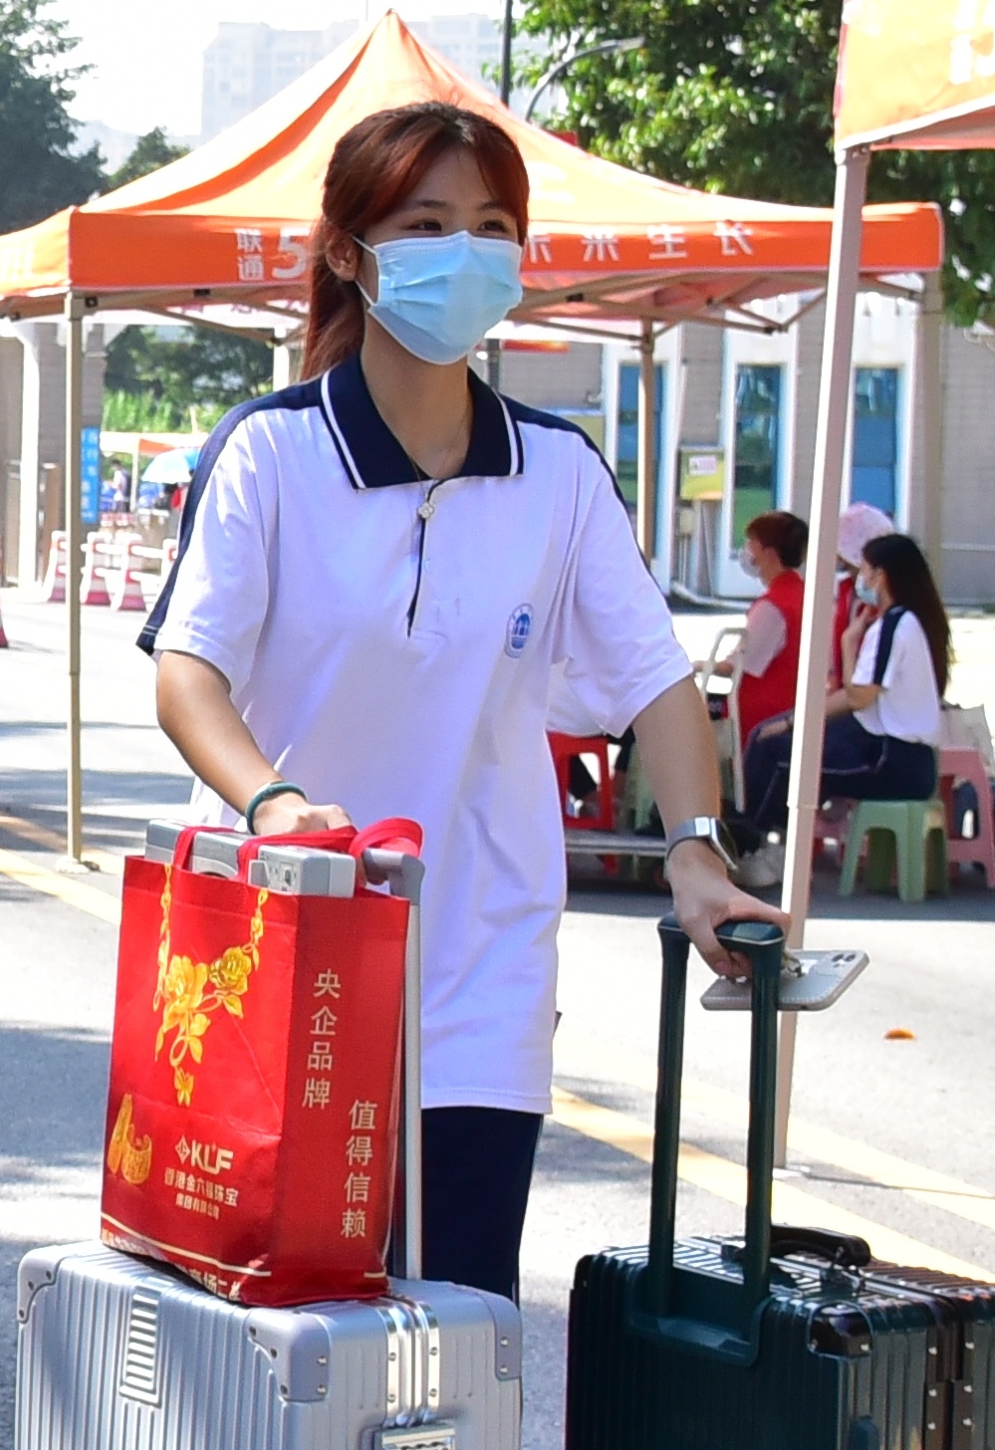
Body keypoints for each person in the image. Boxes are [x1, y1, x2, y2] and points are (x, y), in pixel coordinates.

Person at [142, 97, 757, 1320]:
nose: (464, 251)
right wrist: (270, 798)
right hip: (286, 953)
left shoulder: (560, 471)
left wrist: (697, 856)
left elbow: (659, 684)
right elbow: (187, 672)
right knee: (280, 1335)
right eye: (425, 222)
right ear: (346, 251)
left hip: (482, 967)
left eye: (490, 225)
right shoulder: (268, 454)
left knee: (456, 1335)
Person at [739, 529, 955, 863]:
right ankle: (767, 842)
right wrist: (795, 720)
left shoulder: (893, 626)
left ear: (880, 576)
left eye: (863, 570)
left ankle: (750, 845)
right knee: (777, 740)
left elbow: (858, 698)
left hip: (891, 759)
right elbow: (856, 695)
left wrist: (846, 647)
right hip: (893, 752)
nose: (858, 578)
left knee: (776, 751)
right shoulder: (909, 622)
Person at [719, 506, 808, 765]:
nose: (746, 551)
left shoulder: (772, 606)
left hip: (762, 716)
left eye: (751, 544)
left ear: (769, 553)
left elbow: (738, 665)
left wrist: (696, 665)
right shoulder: (803, 595)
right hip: (790, 707)